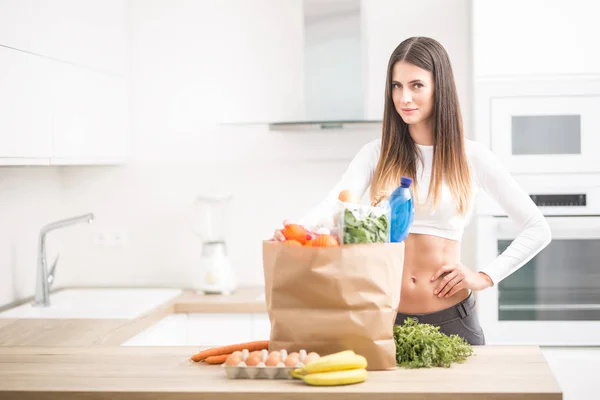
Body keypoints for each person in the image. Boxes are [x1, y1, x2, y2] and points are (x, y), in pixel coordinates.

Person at [273, 37, 551, 345]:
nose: (404, 97)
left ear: (439, 87)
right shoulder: (376, 154)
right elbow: (334, 204)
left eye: (416, 85)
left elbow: (537, 228)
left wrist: (484, 277)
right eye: (396, 85)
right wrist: (294, 232)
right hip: (384, 317)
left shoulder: (471, 157)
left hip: (452, 321)